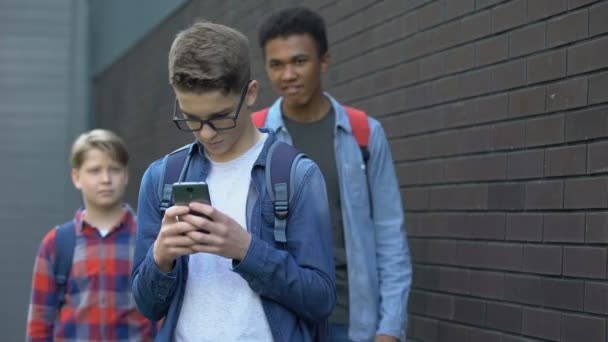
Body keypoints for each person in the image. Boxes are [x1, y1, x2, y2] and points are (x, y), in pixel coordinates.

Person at [131, 20, 336, 341]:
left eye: (220, 117)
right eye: (191, 118)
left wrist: (246, 250)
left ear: (250, 93)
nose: (207, 133)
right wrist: (161, 256)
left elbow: (321, 300)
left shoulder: (297, 175)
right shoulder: (161, 178)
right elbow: (147, 306)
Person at [257, 7, 412, 342]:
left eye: (299, 61)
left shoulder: (363, 134)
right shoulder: (253, 136)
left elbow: (389, 234)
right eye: (276, 64)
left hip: (349, 317)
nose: (288, 74)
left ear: (324, 61)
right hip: (275, 319)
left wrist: (390, 327)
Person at [26, 129, 156, 341]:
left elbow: (163, 315)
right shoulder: (57, 243)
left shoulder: (149, 238)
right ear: (76, 178)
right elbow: (39, 322)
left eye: (114, 169)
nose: (105, 179)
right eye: (95, 171)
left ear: (126, 175)